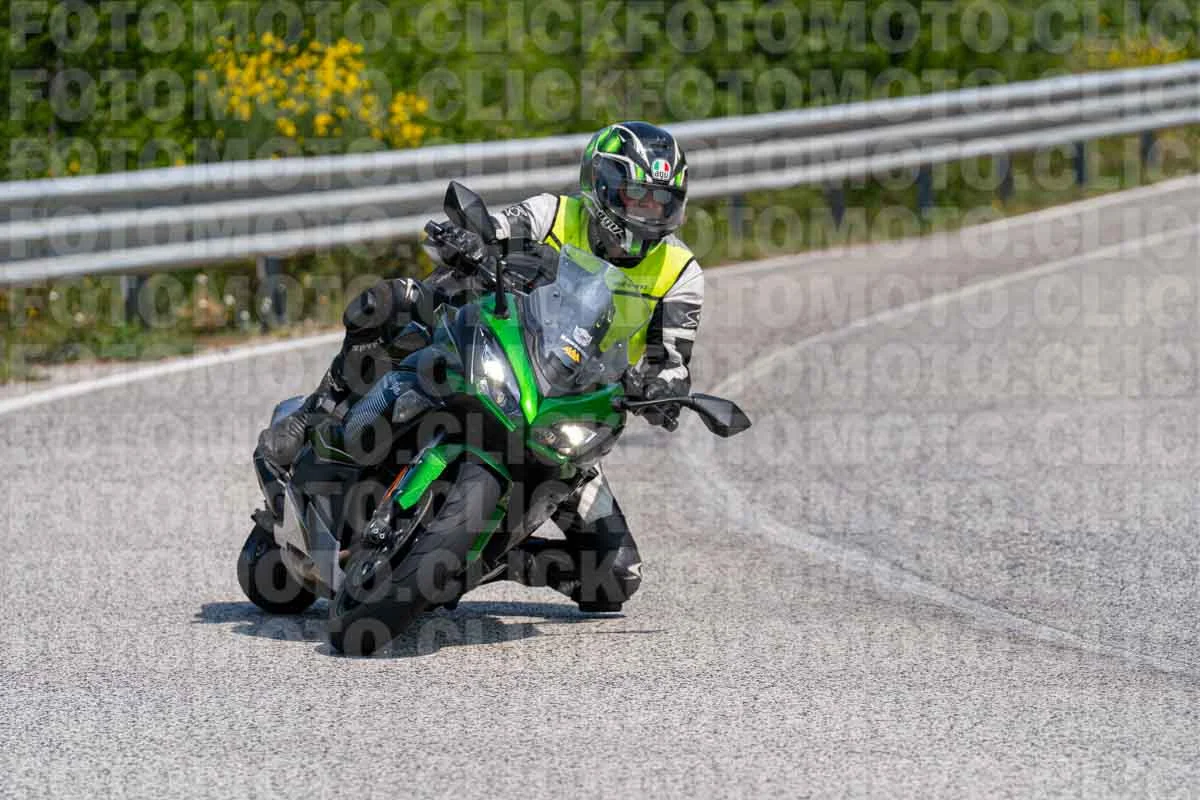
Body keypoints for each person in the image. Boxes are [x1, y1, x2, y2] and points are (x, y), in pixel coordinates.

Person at [258, 121, 704, 611]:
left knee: (616, 577)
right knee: (393, 301)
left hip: (568, 408)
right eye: (639, 195)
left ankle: (482, 561)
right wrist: (469, 239)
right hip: (498, 350)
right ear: (602, 185)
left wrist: (661, 389)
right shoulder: (554, 213)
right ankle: (318, 411)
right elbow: (493, 228)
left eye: (662, 201)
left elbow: (673, 362)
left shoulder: (679, 273)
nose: (649, 210)